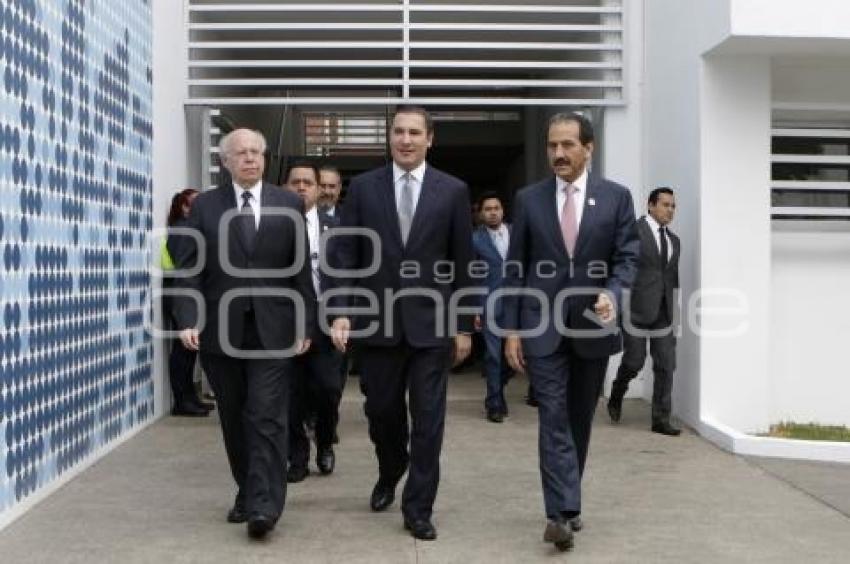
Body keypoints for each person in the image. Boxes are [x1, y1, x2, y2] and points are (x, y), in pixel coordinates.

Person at [328, 106, 474, 541]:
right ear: (388, 138)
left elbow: (462, 263)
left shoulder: (452, 191)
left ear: (430, 138)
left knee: (429, 420)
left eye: (414, 132)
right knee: (382, 412)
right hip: (376, 324)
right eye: (398, 132)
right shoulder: (364, 189)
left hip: (432, 327)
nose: (405, 140)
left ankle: (418, 508)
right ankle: (391, 466)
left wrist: (464, 324)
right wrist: (340, 310)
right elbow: (346, 255)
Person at [501, 112, 639, 551]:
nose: (557, 154)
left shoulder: (616, 198)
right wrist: (512, 329)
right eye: (552, 146)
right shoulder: (529, 199)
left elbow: (627, 257)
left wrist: (613, 293)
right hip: (542, 327)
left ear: (589, 148)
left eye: (567, 145)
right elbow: (516, 267)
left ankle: (569, 498)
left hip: (593, 327)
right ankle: (558, 513)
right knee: (553, 417)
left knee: (579, 419)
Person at [170, 128, 316, 539]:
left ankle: (264, 507)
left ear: (265, 159)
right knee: (234, 417)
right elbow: (188, 270)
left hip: (275, 329)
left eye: (256, 152)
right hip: (221, 331)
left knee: (266, 414)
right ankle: (247, 490)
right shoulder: (204, 207)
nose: (250, 158)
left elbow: (300, 271)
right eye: (241, 153)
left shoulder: (289, 203)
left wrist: (306, 323)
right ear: (226, 161)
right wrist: (187, 317)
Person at [284, 161, 344, 482]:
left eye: (309, 182)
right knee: (292, 393)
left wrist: (343, 315)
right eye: (296, 182)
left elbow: (347, 275)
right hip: (288, 320)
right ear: (285, 187)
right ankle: (296, 455)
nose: (302, 187)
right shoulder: (274, 224)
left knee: (328, 388)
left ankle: (325, 440)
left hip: (326, 318)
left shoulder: (335, 228)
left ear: (319, 189)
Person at [608, 187, 681, 436]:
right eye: (665, 205)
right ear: (650, 206)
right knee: (634, 361)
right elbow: (619, 267)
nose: (670, 210)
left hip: (664, 312)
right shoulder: (633, 232)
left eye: (673, 206)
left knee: (666, 365)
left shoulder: (674, 241)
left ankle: (661, 420)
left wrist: (676, 313)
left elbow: (672, 280)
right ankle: (618, 391)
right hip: (635, 310)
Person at [163, 188, 212, 417]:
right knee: (184, 351)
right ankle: (183, 400)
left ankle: (189, 397)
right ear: (184, 207)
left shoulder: (184, 229)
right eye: (196, 203)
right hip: (184, 296)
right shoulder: (184, 230)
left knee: (188, 350)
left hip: (185, 294)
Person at [472, 192, 513, 423]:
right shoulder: (475, 240)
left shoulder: (517, 234)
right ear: (481, 214)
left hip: (518, 303)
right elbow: (473, 277)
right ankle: (494, 403)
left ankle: (500, 387)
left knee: (519, 356)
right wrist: (476, 309)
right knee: (494, 357)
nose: (493, 212)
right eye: (488, 209)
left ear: (503, 210)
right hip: (490, 304)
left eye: (496, 207)